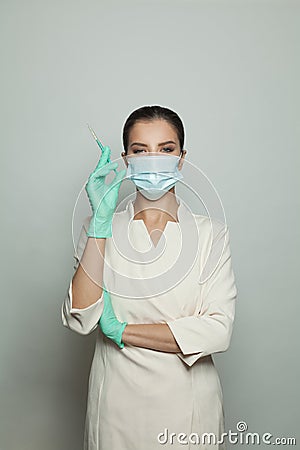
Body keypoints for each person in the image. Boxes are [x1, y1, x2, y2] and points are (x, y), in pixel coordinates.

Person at [61, 105, 238, 449]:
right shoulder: (99, 229)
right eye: (141, 151)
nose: (154, 160)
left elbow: (218, 330)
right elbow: (80, 318)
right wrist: (100, 222)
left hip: (188, 409)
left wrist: (124, 331)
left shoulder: (210, 235)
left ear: (182, 158)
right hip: (115, 406)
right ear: (125, 159)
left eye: (166, 150)